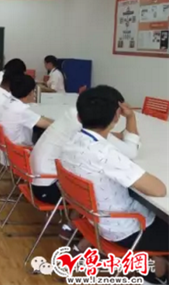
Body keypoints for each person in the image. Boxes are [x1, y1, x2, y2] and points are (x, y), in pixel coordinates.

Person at [61, 86, 168, 283]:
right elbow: (159, 189)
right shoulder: (106, 154)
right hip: (124, 231)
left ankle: (155, 265)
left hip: (94, 220)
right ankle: (154, 274)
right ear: (116, 117)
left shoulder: (72, 141)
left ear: (78, 117)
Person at [0, 74, 53, 147]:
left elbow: (39, 118)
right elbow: (49, 125)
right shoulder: (21, 110)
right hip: (21, 149)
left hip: (8, 146)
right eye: (34, 91)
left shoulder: (8, 102)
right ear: (30, 93)